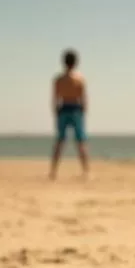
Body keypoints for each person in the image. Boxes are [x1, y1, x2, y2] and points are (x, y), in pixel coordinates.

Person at [51, 48, 89, 179]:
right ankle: (86, 171)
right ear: (76, 62)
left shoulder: (59, 80)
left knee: (60, 141)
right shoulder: (80, 79)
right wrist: (83, 111)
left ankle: (53, 172)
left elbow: (55, 98)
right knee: (81, 142)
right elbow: (84, 99)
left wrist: (56, 111)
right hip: (76, 109)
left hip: (63, 108)